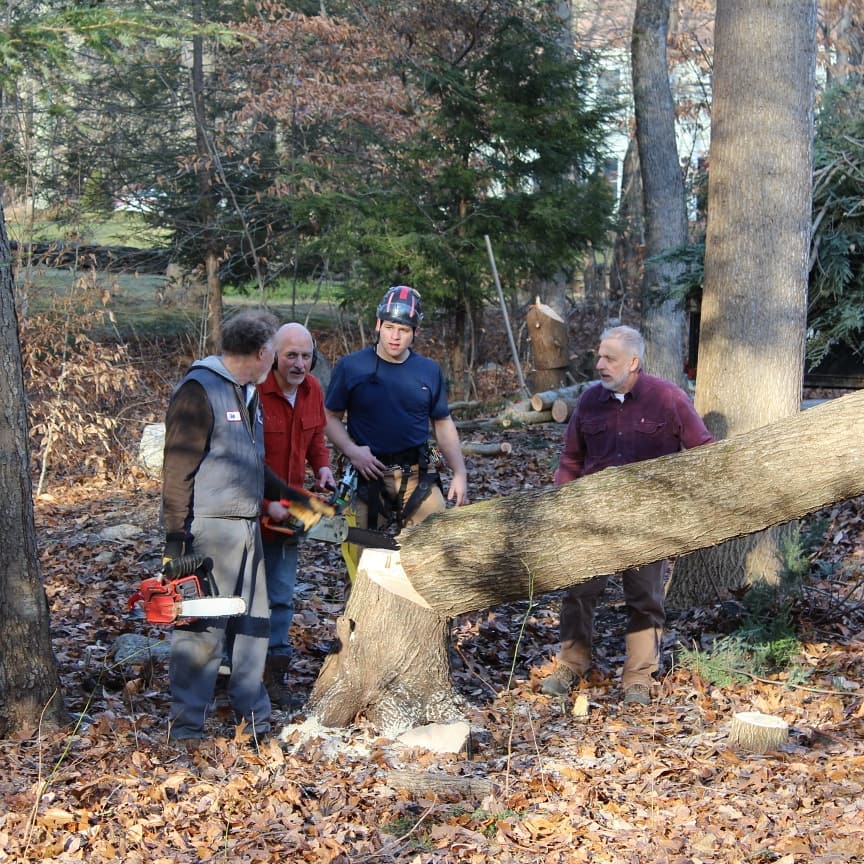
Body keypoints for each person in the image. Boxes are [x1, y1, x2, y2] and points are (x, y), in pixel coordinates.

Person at [540, 324, 714, 706]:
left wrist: (683, 506)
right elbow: (571, 459)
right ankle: (572, 664)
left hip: (647, 521)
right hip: (592, 518)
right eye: (599, 357)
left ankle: (638, 678)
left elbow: (703, 451)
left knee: (646, 598)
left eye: (609, 358)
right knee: (578, 593)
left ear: (633, 362)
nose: (600, 364)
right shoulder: (588, 401)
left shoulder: (668, 398)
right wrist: (564, 507)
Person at [161, 309, 301, 746]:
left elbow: (252, 465)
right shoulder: (199, 391)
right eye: (275, 355)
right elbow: (176, 470)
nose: (278, 364)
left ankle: (254, 724)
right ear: (262, 353)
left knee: (253, 627)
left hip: (247, 531)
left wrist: (297, 500)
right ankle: (186, 730)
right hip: (209, 533)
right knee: (202, 633)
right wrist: (175, 541)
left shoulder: (247, 393)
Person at [324, 285, 468, 542]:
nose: (395, 336)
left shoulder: (428, 370)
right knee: (363, 556)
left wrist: (459, 473)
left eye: (403, 330)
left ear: (416, 333)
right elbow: (329, 416)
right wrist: (352, 451)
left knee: (435, 545)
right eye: (390, 327)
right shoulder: (351, 366)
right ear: (378, 324)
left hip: (415, 471)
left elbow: (442, 422)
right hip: (366, 473)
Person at [258, 322, 334, 701]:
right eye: (291, 355)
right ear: (274, 356)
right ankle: (230, 672)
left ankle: (274, 675)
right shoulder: (254, 392)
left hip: (290, 511)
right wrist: (263, 503)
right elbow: (238, 459)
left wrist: (322, 467)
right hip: (248, 513)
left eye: (306, 356)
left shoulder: (312, 390)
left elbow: (316, 437)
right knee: (239, 593)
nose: (299, 364)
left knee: (282, 596)